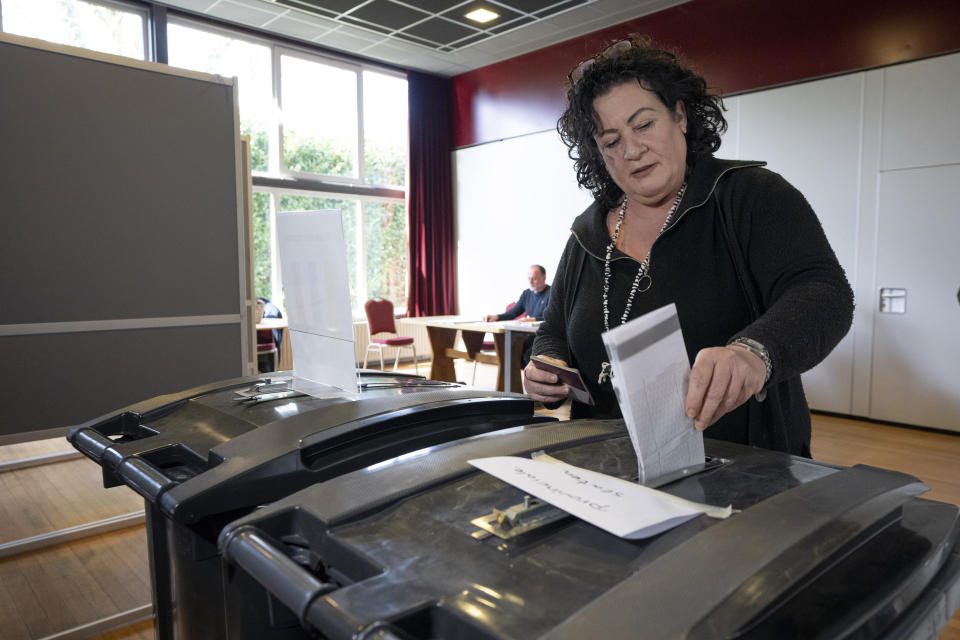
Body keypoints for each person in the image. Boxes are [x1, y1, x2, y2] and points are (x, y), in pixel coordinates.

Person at [524, 36, 853, 457]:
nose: (632, 150)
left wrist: (754, 354)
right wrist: (546, 365)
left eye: (643, 124)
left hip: (745, 468)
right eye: (610, 141)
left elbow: (824, 292)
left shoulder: (750, 197)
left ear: (679, 114)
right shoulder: (586, 234)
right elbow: (553, 328)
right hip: (608, 469)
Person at [484, 264, 552, 322]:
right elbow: (513, 313)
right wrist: (496, 317)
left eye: (534, 279)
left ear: (544, 278)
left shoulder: (551, 293)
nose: (530, 282)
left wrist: (533, 319)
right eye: (529, 278)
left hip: (546, 333)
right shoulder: (526, 294)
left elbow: (553, 318)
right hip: (531, 331)